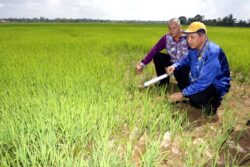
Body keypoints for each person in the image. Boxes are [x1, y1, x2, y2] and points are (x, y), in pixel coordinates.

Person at [166, 22, 231, 115]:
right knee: (179, 70)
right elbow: (186, 59)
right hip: (198, 77)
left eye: (192, 37)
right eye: (187, 37)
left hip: (215, 84)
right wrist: (174, 66)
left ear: (203, 37)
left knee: (196, 97)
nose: (189, 40)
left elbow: (204, 81)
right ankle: (190, 96)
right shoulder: (194, 48)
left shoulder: (213, 52)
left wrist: (182, 94)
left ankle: (213, 103)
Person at [136, 18, 189, 89]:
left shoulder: (189, 37)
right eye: (170, 28)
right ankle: (164, 82)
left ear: (180, 27)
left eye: (174, 28)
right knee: (157, 56)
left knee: (183, 85)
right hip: (173, 62)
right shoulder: (167, 38)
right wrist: (142, 64)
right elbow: (154, 49)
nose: (171, 31)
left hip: (185, 65)